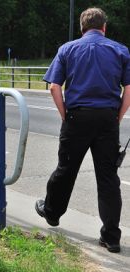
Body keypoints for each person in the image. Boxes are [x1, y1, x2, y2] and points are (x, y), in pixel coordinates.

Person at [36, 7, 130, 253]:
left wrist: (65, 114)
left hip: (77, 117)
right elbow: (129, 89)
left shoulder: (67, 49)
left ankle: (52, 212)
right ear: (104, 27)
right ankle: (111, 237)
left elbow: (54, 87)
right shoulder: (120, 50)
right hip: (107, 119)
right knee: (108, 178)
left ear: (82, 27)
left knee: (66, 169)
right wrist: (118, 116)